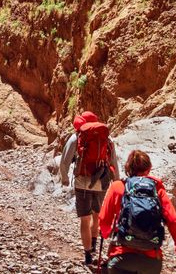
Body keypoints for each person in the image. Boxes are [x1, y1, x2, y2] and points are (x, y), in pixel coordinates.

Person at [98, 150, 176, 274]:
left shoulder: (117, 187)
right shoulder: (157, 189)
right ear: (149, 168)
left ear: (128, 168)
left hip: (121, 258)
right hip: (151, 262)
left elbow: (103, 220)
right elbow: (173, 220)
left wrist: (105, 233)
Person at [59, 111, 119, 266]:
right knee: (96, 215)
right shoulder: (106, 137)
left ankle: (87, 255)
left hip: (82, 183)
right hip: (101, 181)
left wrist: (65, 179)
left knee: (84, 219)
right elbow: (113, 160)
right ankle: (93, 243)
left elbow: (65, 161)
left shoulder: (77, 136)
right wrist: (116, 180)